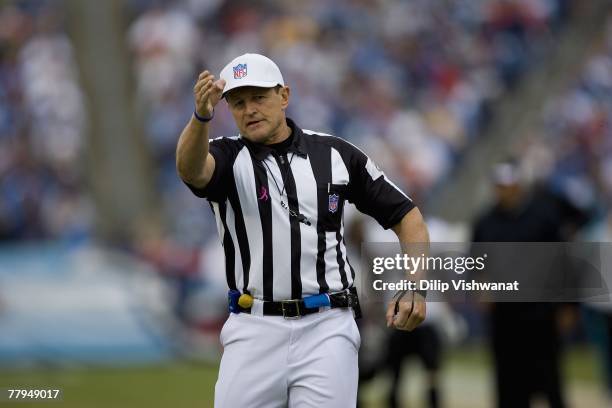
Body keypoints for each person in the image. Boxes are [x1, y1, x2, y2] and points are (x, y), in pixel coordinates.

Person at [176, 53, 429, 407]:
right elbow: (190, 169)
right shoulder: (226, 156)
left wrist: (415, 285)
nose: (249, 110)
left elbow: (408, 217)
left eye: (259, 98)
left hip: (327, 327)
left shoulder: (336, 155)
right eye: (238, 102)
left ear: (284, 95)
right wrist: (201, 116)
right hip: (254, 328)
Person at [472, 159, 587, 408]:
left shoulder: (543, 217)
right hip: (505, 318)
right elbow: (475, 265)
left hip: (540, 315)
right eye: (499, 186)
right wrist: (481, 288)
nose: (503, 191)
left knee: (550, 381)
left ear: (518, 186)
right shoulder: (485, 222)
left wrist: (569, 305)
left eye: (508, 185)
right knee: (509, 384)